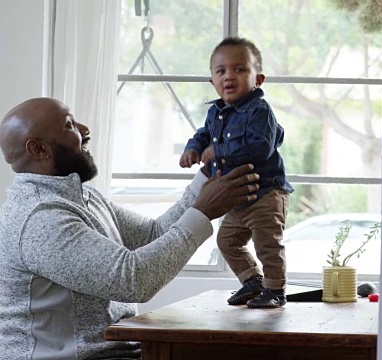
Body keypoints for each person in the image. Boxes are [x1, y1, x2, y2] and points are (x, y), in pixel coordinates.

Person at [0, 97, 260, 359]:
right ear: (38, 149)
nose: (85, 128)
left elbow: (152, 235)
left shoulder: (82, 196)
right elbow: (133, 280)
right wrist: (203, 211)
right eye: (69, 125)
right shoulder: (39, 219)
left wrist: (206, 178)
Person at [179, 37, 294, 308]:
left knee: (268, 243)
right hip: (237, 197)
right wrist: (192, 148)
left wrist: (220, 152)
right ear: (212, 81)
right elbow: (203, 134)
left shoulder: (259, 110)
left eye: (240, 69)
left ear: (259, 79)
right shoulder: (215, 112)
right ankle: (252, 281)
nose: (229, 76)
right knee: (226, 240)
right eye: (221, 71)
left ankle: (275, 289)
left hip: (265, 192)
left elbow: (261, 147)